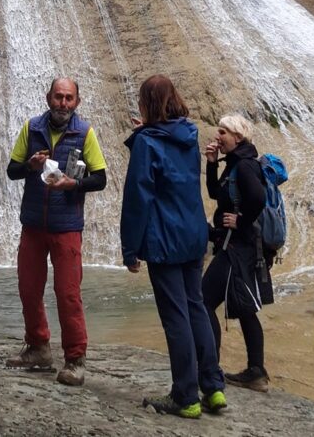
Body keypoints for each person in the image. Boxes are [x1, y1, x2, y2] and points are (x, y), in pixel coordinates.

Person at [121, 75, 227, 419]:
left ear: (146, 104)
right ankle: (212, 388)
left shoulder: (147, 142)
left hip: (164, 238)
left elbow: (138, 198)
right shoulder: (187, 134)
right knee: (196, 306)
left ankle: (185, 396)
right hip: (194, 234)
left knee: (176, 316)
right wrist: (146, 132)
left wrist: (129, 248)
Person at [4, 77, 108, 387]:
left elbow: (100, 178)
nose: (63, 103)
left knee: (68, 294)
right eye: (58, 97)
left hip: (67, 227)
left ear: (77, 101)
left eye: (69, 98)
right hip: (33, 224)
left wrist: (73, 184)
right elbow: (12, 171)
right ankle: (38, 348)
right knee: (29, 288)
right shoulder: (31, 128)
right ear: (48, 97)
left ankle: (75, 359)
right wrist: (31, 168)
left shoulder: (84, 132)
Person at [202, 114, 272, 392]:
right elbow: (214, 193)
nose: (218, 136)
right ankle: (256, 371)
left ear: (238, 138)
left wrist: (240, 221)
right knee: (244, 308)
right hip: (237, 246)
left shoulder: (243, 166)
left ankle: (210, 367)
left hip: (237, 246)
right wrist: (210, 164)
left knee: (203, 299)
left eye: (224, 132)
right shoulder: (234, 164)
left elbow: (258, 198)